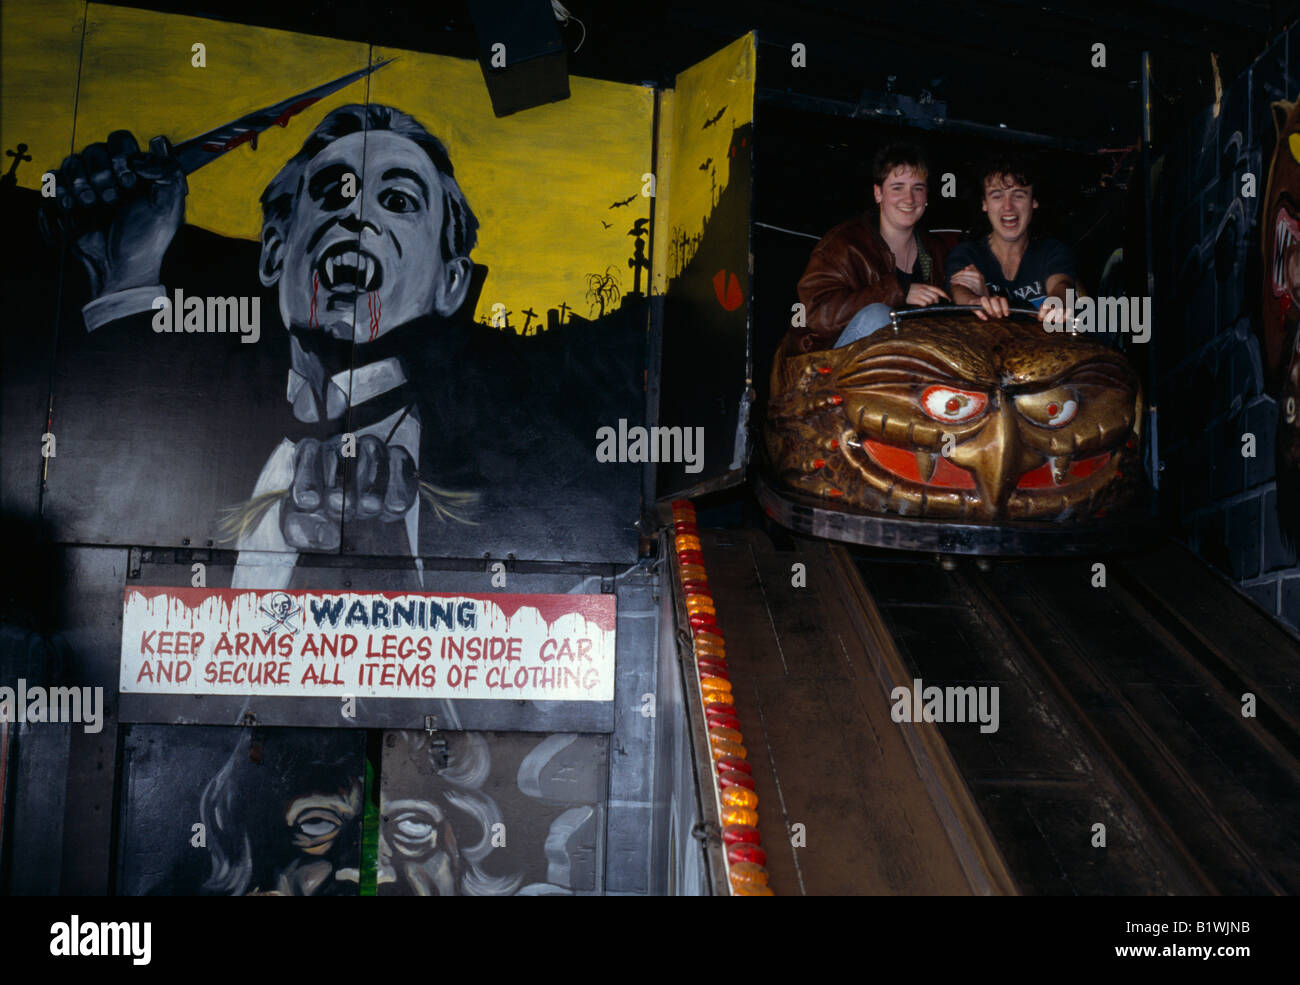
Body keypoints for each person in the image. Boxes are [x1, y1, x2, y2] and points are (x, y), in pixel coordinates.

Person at [788, 142, 949, 354]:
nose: (909, 199)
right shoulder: (843, 243)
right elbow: (817, 313)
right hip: (834, 363)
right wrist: (898, 291)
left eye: (918, 189)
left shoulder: (935, 250)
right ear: (878, 193)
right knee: (878, 316)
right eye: (897, 188)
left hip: (906, 362)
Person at [946, 155, 1078, 323]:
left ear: (1034, 202)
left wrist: (1058, 303)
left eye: (1019, 195)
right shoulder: (967, 253)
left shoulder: (1053, 251)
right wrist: (976, 302)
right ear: (984, 204)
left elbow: (1061, 285)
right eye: (997, 195)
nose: (1008, 206)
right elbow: (959, 291)